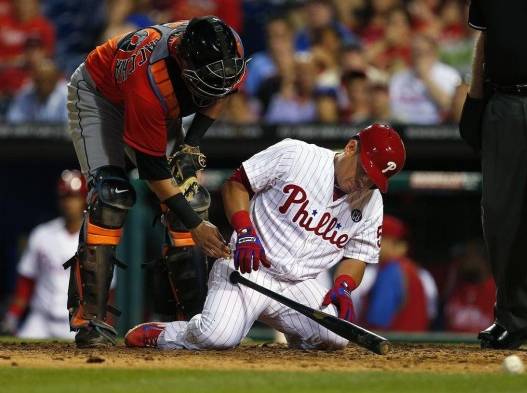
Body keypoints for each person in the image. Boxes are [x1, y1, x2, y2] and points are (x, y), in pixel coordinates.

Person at [124, 123, 406, 350]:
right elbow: (236, 184)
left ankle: (297, 345)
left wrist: (344, 285)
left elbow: (357, 255)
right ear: (351, 147)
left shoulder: (371, 202)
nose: (364, 182)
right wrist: (245, 231)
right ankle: (164, 333)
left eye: (373, 179)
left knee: (335, 338)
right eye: (364, 171)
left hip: (298, 285)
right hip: (248, 269)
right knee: (217, 337)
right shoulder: (298, 155)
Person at [64, 16, 246, 348]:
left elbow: (222, 89)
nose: (219, 82)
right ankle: (91, 320)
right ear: (184, 62)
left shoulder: (227, 47)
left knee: (189, 197)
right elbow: (153, 171)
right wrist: (196, 226)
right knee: (111, 195)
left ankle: (194, 324)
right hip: (100, 96)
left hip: (157, 106)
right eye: (208, 75)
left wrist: (192, 143)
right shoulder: (152, 80)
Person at [460, 1, 527, 349]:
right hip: (503, 102)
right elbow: (484, 41)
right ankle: (513, 319)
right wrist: (475, 99)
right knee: (501, 215)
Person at [1, 170, 86, 339]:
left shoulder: (94, 239)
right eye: (65, 197)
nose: (69, 203)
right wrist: (12, 315)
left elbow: (108, 291)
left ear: (84, 200)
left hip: (76, 322)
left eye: (74, 197)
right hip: (40, 320)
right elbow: (26, 281)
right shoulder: (42, 234)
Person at [360, 215, 430, 332]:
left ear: (393, 242)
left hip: (394, 346)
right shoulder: (410, 269)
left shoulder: (390, 270)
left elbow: (378, 322)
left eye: (378, 238)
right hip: (414, 346)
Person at [389, 34, 461, 125]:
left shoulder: (449, 74)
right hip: (402, 128)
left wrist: (425, 77)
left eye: (422, 52)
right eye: (415, 52)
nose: (418, 56)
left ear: (434, 53)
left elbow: (449, 105)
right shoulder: (399, 77)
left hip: (436, 130)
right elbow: (392, 108)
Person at [6, 58, 67, 123]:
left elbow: (71, 127)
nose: (43, 84)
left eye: (48, 80)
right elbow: (13, 121)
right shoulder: (26, 93)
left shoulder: (68, 94)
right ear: (34, 80)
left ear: (56, 79)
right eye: (40, 80)